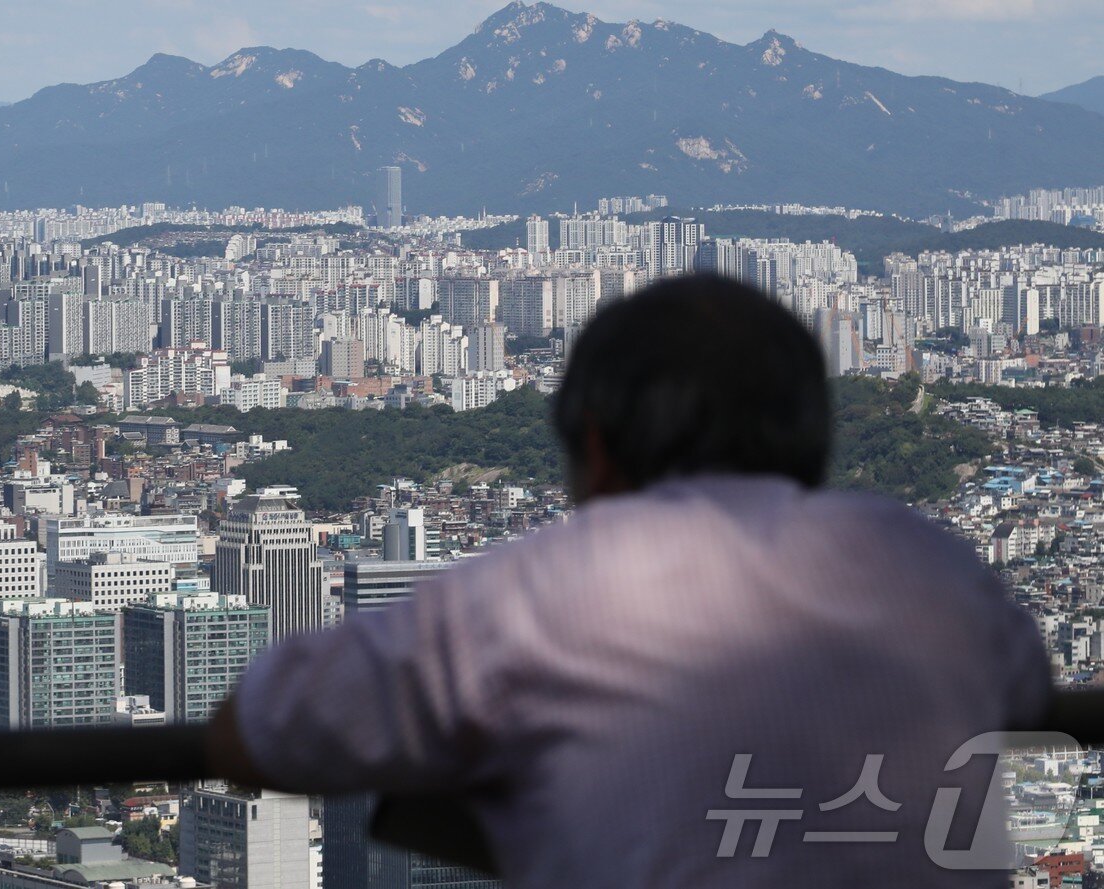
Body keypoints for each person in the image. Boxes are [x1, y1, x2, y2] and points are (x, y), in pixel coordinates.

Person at [205, 275, 1056, 888]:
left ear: (598, 445)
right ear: (813, 437)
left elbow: (263, 730)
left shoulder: (540, 592)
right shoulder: (926, 565)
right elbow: (1023, 692)